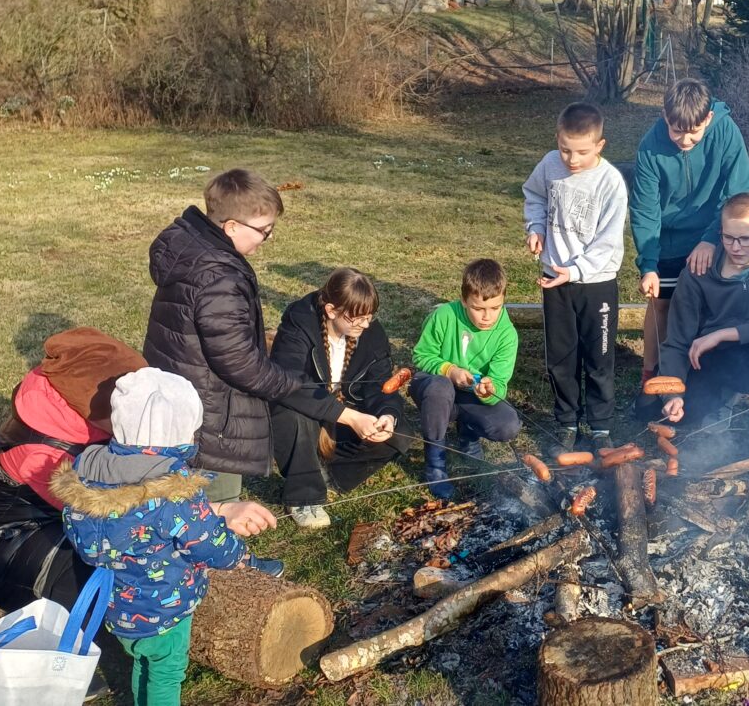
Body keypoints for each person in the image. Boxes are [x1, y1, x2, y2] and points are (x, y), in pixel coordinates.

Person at [0, 328, 276, 695]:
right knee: (120, 585)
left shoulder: (91, 448)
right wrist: (214, 515)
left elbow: (127, 501)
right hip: (3, 547)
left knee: (122, 559)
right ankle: (54, 656)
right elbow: (134, 512)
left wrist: (211, 509)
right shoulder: (43, 453)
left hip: (71, 530)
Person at [52, 367, 283, 706]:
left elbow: (83, 540)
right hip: (163, 609)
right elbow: (208, 542)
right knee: (167, 672)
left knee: (143, 661)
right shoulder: (174, 491)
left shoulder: (87, 475)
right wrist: (242, 557)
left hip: (117, 608)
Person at [143, 168, 302, 505]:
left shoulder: (189, 247)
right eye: (264, 230)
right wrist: (288, 384)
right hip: (211, 415)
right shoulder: (220, 278)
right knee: (216, 504)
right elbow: (238, 362)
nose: (267, 238)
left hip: (178, 394)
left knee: (181, 495)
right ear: (231, 226)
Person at [629, 78, 749, 418]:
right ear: (664, 116)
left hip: (714, 232)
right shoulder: (650, 147)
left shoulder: (726, 131)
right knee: (661, 303)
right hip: (668, 237)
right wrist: (649, 265)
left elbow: (738, 192)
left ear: (708, 119)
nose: (684, 141)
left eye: (693, 134)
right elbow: (645, 209)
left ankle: (707, 378)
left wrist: (711, 239)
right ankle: (651, 377)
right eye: (676, 131)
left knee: (711, 306)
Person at [659, 193, 749, 447]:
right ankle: (722, 398)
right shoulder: (699, 269)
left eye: (746, 239)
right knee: (676, 413)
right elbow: (677, 339)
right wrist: (672, 394)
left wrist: (725, 333)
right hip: (718, 357)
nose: (736, 247)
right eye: (728, 238)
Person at [269, 267, 413, 528]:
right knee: (292, 414)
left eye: (369, 317)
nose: (365, 325)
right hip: (307, 412)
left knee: (399, 432)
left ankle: (332, 476)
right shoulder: (299, 321)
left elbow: (379, 385)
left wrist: (387, 415)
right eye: (357, 319)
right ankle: (303, 496)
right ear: (331, 311)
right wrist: (350, 417)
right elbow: (290, 384)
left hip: (344, 412)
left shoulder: (371, 332)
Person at [523, 102, 628, 454]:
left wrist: (576, 270)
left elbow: (608, 241)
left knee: (598, 358)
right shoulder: (549, 165)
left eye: (582, 152)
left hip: (597, 283)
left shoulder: (610, 182)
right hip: (556, 281)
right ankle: (567, 422)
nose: (572, 159)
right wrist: (536, 228)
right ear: (557, 138)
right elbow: (534, 196)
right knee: (561, 358)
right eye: (565, 149)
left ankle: (600, 427)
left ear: (600, 145)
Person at [411, 259, 521, 499]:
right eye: (478, 309)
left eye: (495, 308)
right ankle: (435, 462)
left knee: (508, 424)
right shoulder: (444, 315)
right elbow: (421, 356)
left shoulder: (507, 335)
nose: (487, 317)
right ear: (464, 300)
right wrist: (449, 370)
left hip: (470, 395)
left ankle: (468, 433)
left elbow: (500, 384)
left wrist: (490, 390)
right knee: (440, 388)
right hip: (434, 388)